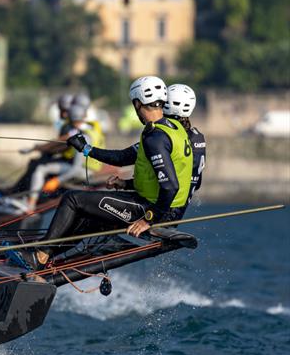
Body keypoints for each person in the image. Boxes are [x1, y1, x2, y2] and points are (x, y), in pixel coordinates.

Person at [32, 76, 193, 267]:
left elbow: (170, 186)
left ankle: (40, 255)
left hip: (151, 209)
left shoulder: (155, 137)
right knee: (88, 217)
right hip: (164, 208)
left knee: (72, 199)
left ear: (137, 103)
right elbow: (124, 158)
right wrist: (87, 150)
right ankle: (47, 257)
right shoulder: (174, 129)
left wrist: (148, 220)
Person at [0, 94, 79, 198]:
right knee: (35, 162)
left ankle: (26, 198)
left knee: (38, 166)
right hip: (65, 159)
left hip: (68, 162)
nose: (61, 113)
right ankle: (16, 191)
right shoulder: (69, 125)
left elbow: (61, 144)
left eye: (62, 110)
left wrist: (37, 148)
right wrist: (44, 149)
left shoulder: (70, 127)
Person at [163, 83, 205, 216]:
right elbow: (196, 184)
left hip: (159, 211)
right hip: (179, 213)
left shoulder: (167, 134)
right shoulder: (198, 137)